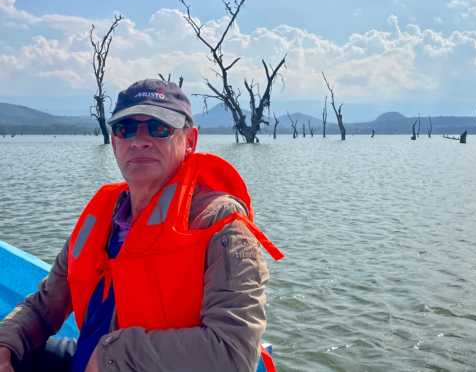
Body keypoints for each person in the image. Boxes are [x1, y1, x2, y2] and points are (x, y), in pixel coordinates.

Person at [0, 79, 283, 372]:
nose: (139, 140)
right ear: (114, 140)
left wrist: (116, 355)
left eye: (159, 128)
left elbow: (233, 355)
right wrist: (6, 342)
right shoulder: (104, 216)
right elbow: (45, 305)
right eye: (126, 129)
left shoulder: (221, 225)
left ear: (190, 140)